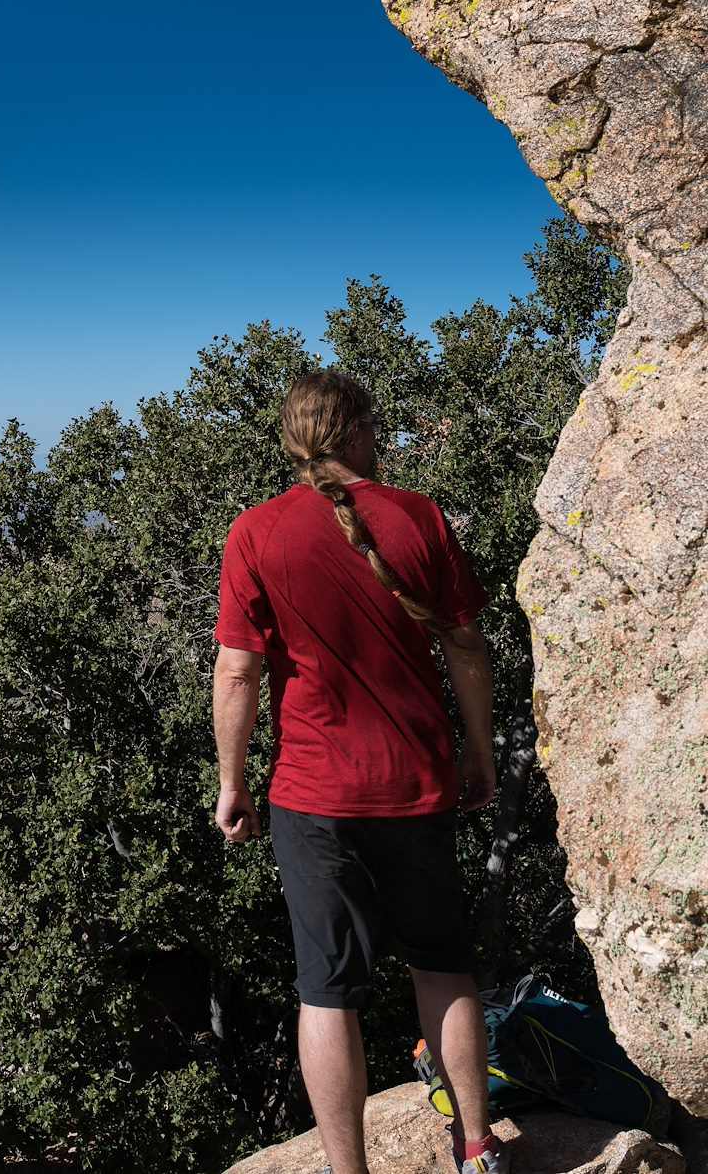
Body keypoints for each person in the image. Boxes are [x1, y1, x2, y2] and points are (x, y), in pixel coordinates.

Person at [212, 369, 507, 1174]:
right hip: (415, 781)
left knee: (327, 989)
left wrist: (231, 780)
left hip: (314, 796)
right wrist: (479, 752)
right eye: (375, 425)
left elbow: (237, 671)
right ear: (355, 433)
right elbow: (466, 646)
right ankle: (477, 1149)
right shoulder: (419, 517)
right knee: (442, 966)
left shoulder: (256, 533)